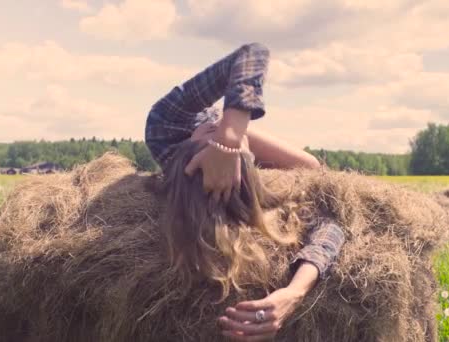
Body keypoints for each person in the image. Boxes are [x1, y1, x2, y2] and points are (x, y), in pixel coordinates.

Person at [145, 43, 345, 341]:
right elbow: (330, 224)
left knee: (312, 168)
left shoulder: (166, 129)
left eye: (212, 144)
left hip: (217, 130)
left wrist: (228, 137)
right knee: (311, 168)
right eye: (236, 159)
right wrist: (295, 290)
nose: (214, 125)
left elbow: (253, 54)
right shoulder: (252, 188)